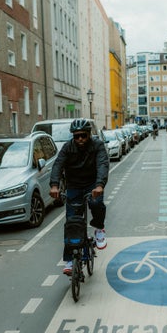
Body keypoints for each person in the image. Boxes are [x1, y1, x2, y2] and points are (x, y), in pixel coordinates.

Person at [49, 118, 109, 275]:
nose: (80, 139)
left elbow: (102, 164)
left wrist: (100, 185)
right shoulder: (67, 148)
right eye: (76, 136)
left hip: (92, 185)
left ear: (89, 134)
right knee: (71, 222)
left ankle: (99, 228)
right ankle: (69, 260)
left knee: (96, 204)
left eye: (83, 135)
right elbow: (57, 166)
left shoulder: (97, 146)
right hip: (74, 186)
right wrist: (54, 186)